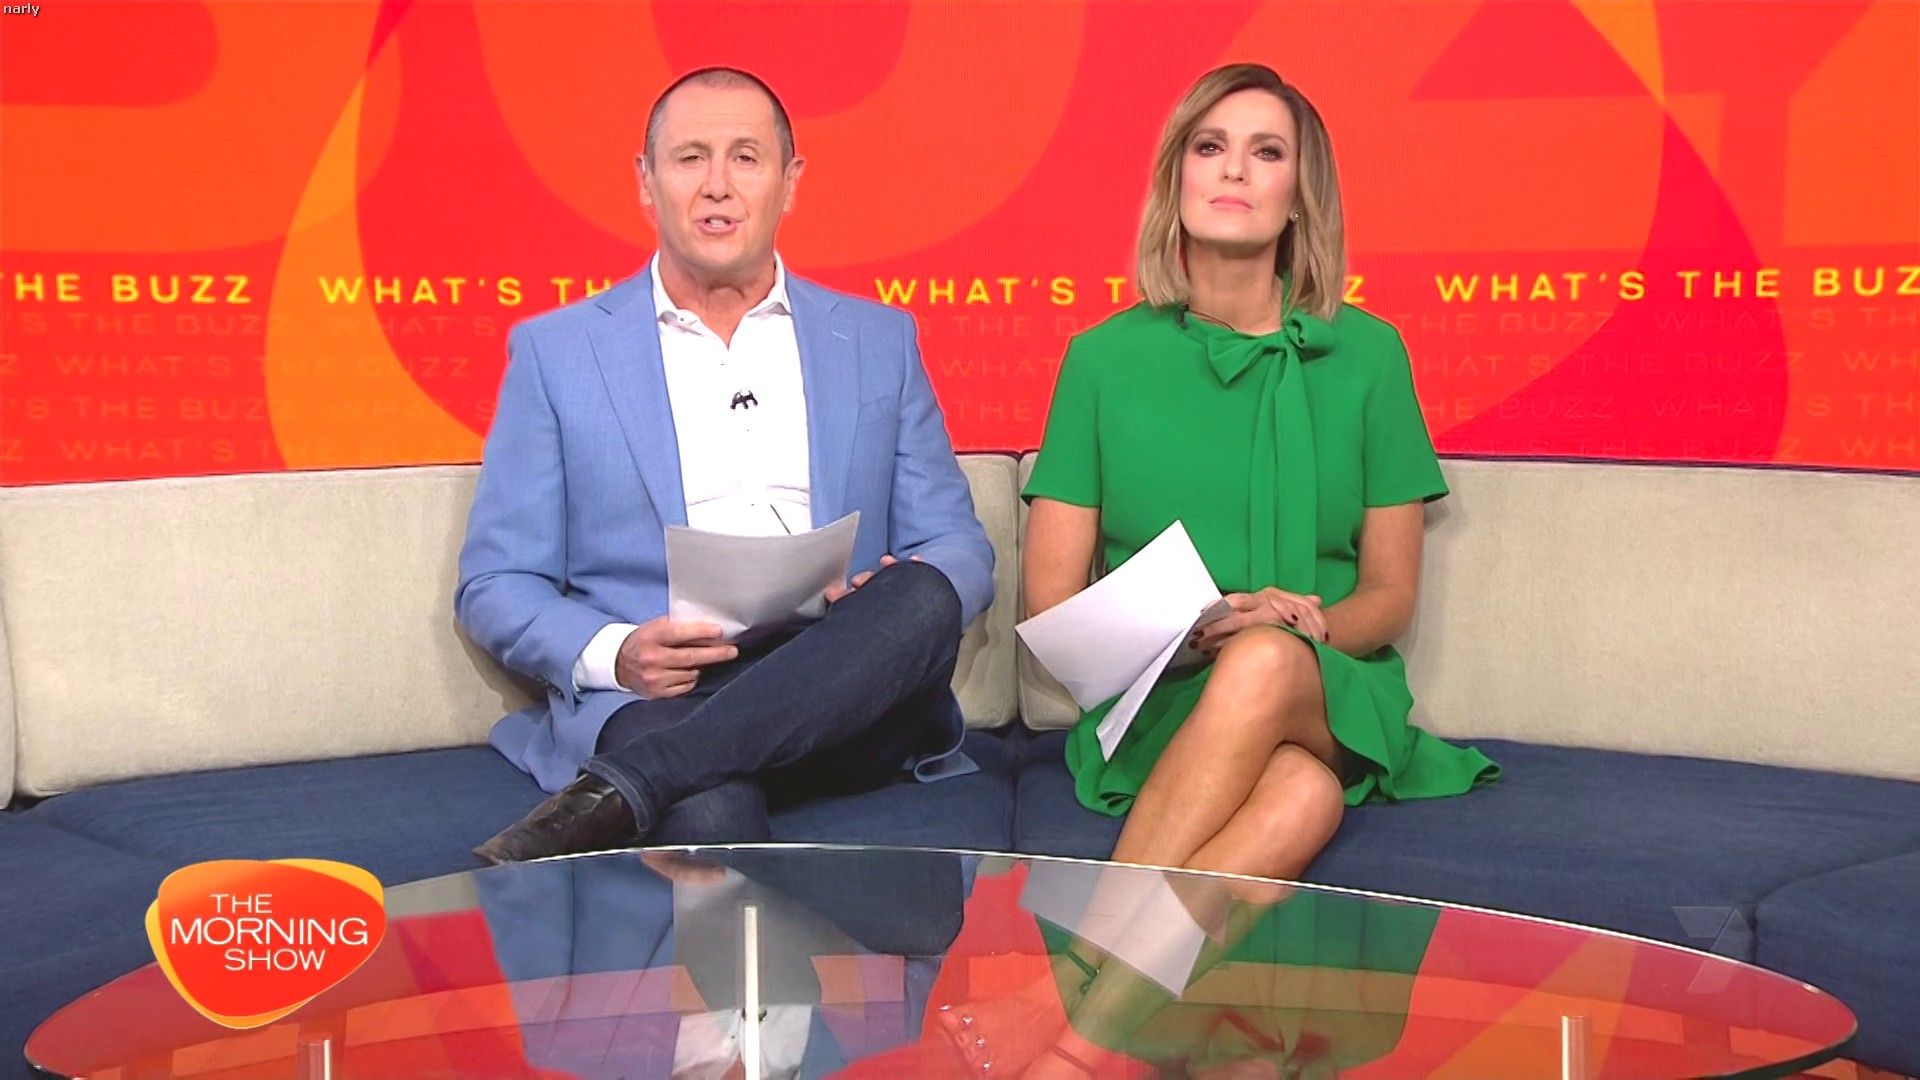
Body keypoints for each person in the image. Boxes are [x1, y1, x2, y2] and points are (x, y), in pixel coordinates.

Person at [961, 62, 1501, 1076]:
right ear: (1176, 180)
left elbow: (1389, 596)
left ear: (1301, 193)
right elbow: (1052, 604)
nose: (1235, 171)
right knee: (1303, 803)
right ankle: (1090, 1050)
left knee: (1266, 661)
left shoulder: (1372, 356)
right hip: (1166, 697)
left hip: (1330, 687)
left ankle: (1068, 985)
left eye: (1266, 152)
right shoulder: (1102, 360)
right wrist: (1206, 628)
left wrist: (1290, 628)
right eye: (1210, 148)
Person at [458, 67, 994, 864]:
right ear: (647, 183)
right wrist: (617, 652)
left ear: (789, 182)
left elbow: (958, 547)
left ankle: (630, 784)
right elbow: (496, 583)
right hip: (668, 693)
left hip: (844, 679)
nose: (718, 187)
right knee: (710, 815)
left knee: (923, 592)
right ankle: (682, 766)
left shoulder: (877, 340)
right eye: (689, 159)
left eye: (745, 158)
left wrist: (879, 590)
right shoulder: (558, 354)